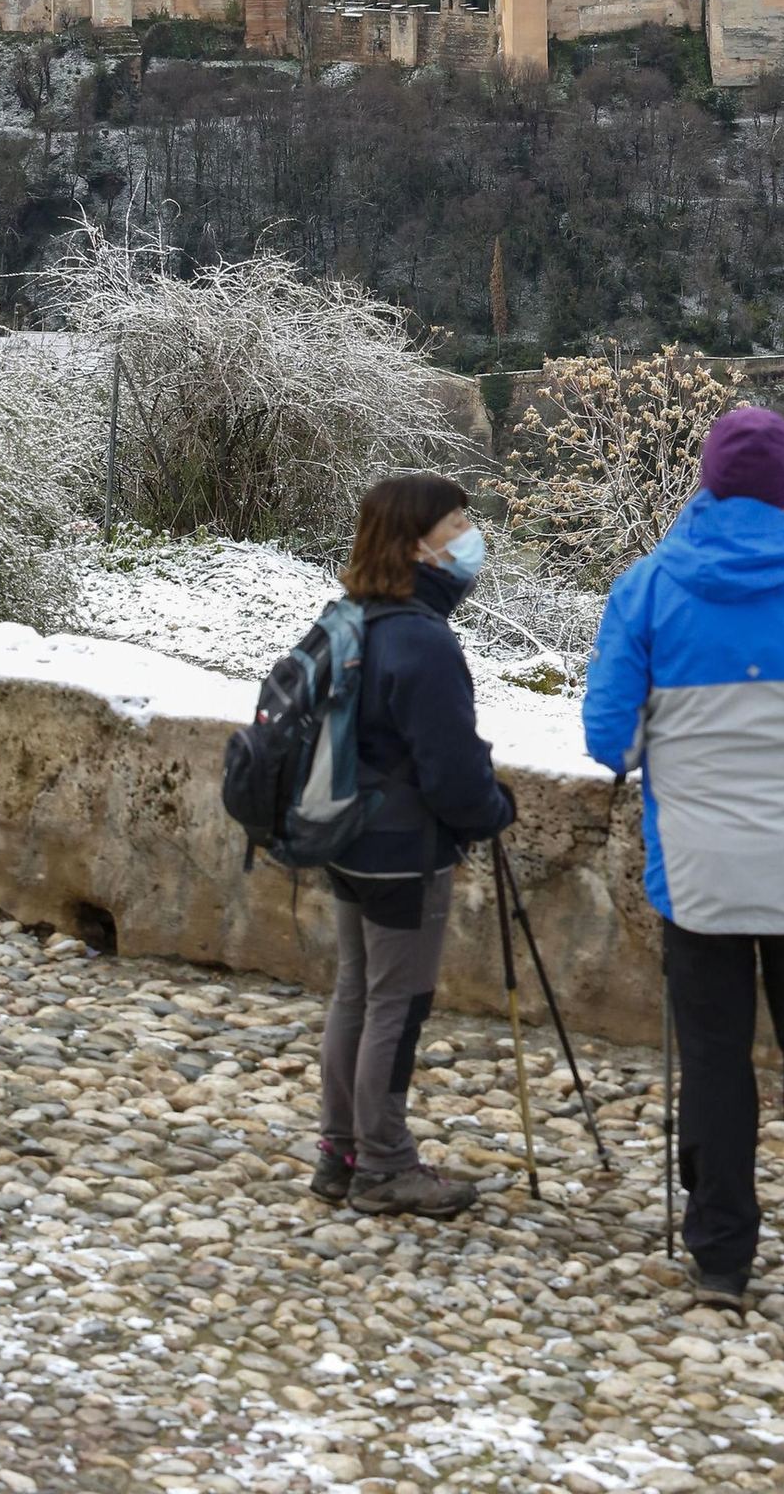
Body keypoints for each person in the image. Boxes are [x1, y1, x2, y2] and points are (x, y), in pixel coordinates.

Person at [584, 407, 784, 1317]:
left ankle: (721, 1260)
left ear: (708, 480)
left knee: (716, 1062)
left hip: (698, 878)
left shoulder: (646, 591)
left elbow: (609, 743)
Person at [313, 472, 513, 1217]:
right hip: (401, 853)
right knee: (396, 1002)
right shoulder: (421, 641)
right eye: (457, 523)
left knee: (355, 992)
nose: (470, 534)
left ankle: (340, 1152)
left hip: (343, 839)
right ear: (417, 546)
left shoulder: (352, 619)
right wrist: (491, 811)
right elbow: (454, 774)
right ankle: (385, 1165)